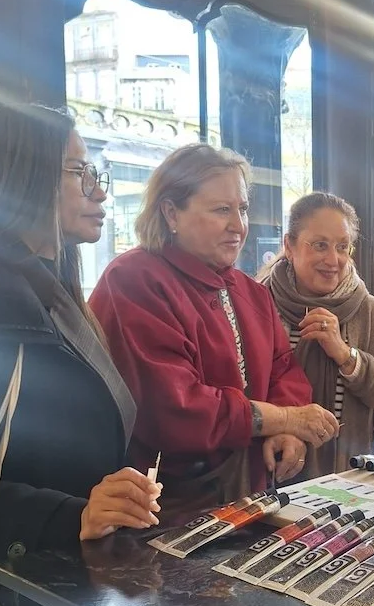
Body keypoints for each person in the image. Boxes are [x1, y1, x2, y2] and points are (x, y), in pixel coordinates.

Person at [90, 144, 335, 512]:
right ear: (171, 212)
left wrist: (288, 431)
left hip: (248, 497)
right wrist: (287, 418)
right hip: (166, 507)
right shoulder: (133, 280)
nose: (238, 225)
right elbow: (176, 409)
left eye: (242, 209)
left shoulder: (250, 291)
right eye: (222, 210)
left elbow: (284, 369)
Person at [0, 103, 160, 559]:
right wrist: (73, 515)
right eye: (80, 173)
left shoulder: (57, 293)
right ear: (25, 175)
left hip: (74, 571)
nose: (100, 192)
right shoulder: (11, 302)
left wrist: (113, 499)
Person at [261, 193, 374, 476]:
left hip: (345, 480)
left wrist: (346, 354)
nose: (333, 259)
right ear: (289, 246)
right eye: (320, 245)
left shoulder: (367, 310)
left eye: (342, 247)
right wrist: (283, 423)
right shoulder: (257, 303)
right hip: (266, 472)